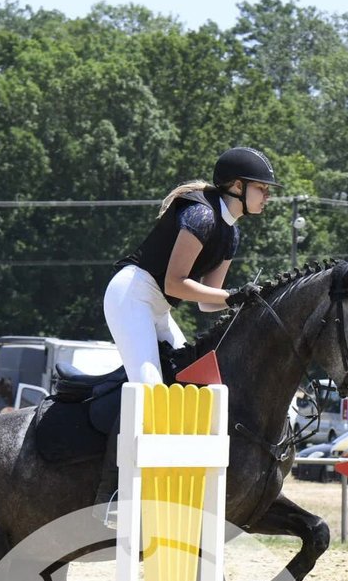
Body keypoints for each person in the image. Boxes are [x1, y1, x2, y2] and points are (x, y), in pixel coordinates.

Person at [93, 147, 279, 521]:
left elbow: (207, 302)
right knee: (150, 391)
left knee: (197, 384)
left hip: (159, 307)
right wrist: (232, 295)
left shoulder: (231, 233)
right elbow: (175, 283)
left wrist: (245, 302)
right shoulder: (201, 216)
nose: (267, 196)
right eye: (262, 188)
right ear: (237, 186)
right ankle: (112, 495)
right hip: (131, 295)